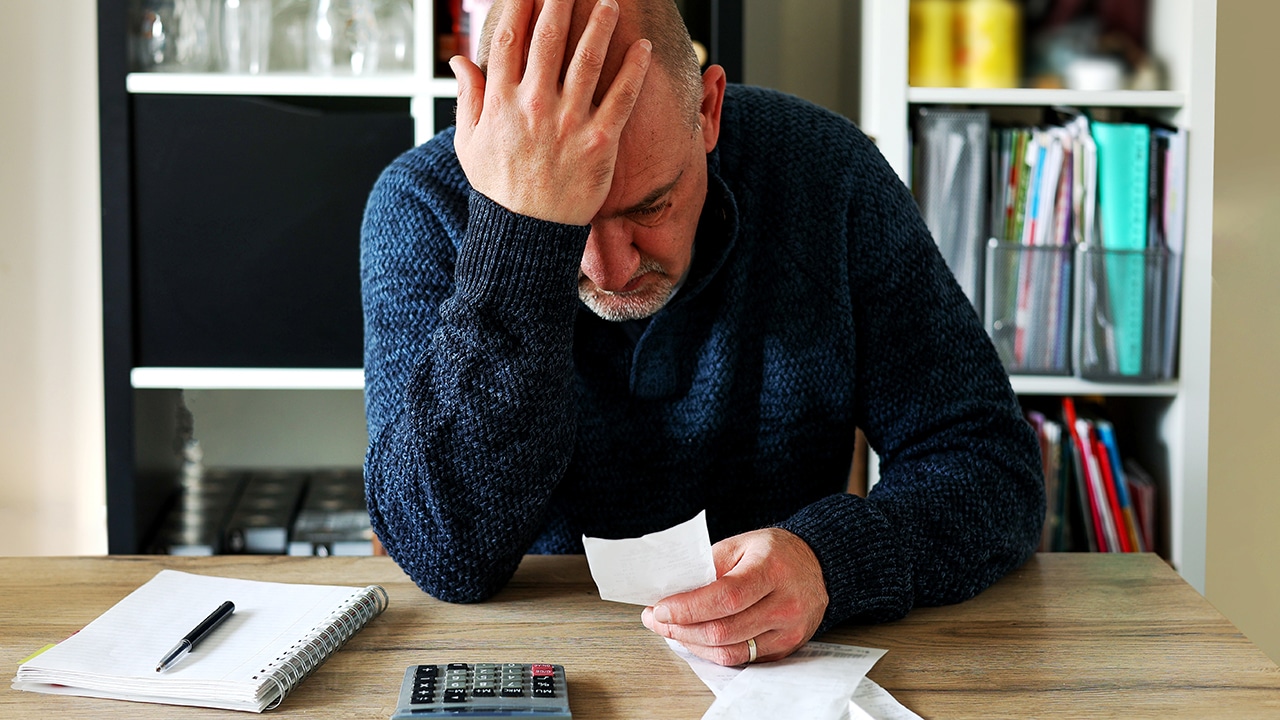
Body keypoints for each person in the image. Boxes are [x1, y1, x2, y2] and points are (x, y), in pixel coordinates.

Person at [360, 0, 1044, 667]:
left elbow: (990, 465)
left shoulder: (827, 175)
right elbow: (444, 555)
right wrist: (520, 235)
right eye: (575, 227)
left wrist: (831, 562)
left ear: (708, 110)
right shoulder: (422, 204)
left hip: (786, 672)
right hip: (539, 669)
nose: (613, 269)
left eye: (651, 204)